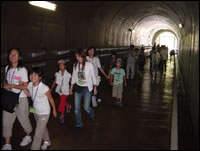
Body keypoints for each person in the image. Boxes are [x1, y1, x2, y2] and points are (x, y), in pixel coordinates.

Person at [1, 48, 33, 150]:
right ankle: (7, 144)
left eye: (14, 54)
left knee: (23, 119)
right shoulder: (7, 68)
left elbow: (24, 86)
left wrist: (12, 85)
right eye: (10, 54)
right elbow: (6, 82)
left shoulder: (22, 70)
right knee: (6, 121)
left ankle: (28, 136)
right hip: (9, 98)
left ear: (19, 57)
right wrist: (6, 85)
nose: (12, 56)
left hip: (21, 98)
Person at [23, 67, 57, 150]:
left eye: (35, 75)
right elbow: (29, 95)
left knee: (38, 133)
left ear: (40, 77)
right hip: (35, 111)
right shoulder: (30, 84)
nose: (32, 76)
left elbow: (51, 99)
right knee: (42, 127)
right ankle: (47, 141)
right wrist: (24, 88)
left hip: (44, 112)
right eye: (31, 74)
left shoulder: (44, 88)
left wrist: (54, 110)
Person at [70, 49, 97, 128]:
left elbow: (93, 76)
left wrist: (95, 87)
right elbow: (74, 77)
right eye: (76, 56)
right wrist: (71, 88)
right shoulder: (75, 65)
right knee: (76, 108)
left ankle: (91, 113)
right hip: (78, 88)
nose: (77, 58)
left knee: (86, 107)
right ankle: (79, 123)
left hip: (87, 88)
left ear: (82, 56)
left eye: (78, 56)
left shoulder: (89, 65)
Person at [50, 60, 72, 124]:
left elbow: (71, 82)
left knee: (61, 104)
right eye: (60, 66)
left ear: (65, 66)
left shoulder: (68, 74)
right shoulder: (57, 74)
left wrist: (71, 89)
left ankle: (62, 116)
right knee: (63, 102)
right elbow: (55, 81)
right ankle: (68, 106)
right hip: (59, 90)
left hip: (65, 90)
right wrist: (51, 88)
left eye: (62, 65)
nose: (61, 67)